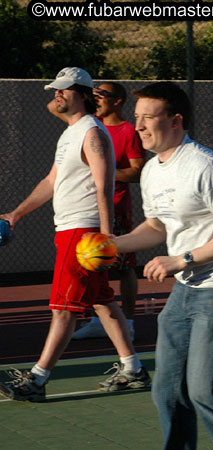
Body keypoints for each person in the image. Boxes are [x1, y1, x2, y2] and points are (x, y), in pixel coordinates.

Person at [113, 81, 213, 449]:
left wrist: (182, 259)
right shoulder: (151, 170)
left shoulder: (206, 165)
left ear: (176, 120)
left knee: (205, 391)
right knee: (167, 390)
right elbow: (156, 226)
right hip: (187, 290)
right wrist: (112, 244)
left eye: (149, 118)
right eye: (136, 118)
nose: (139, 126)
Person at [0, 67, 150, 403]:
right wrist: (16, 214)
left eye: (64, 90)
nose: (57, 95)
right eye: (56, 89)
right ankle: (133, 368)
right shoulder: (71, 132)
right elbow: (51, 182)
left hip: (83, 231)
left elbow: (105, 185)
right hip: (69, 227)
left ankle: (37, 379)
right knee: (103, 301)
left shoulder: (93, 134)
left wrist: (107, 236)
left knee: (63, 309)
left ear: (83, 94)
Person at [48, 82, 146, 340]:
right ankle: (98, 324)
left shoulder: (126, 131)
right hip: (90, 210)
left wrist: (100, 170)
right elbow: (54, 106)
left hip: (115, 208)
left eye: (103, 95)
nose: (98, 98)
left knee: (123, 266)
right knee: (99, 283)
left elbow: (137, 170)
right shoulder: (84, 127)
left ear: (118, 102)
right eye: (94, 94)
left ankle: (131, 321)